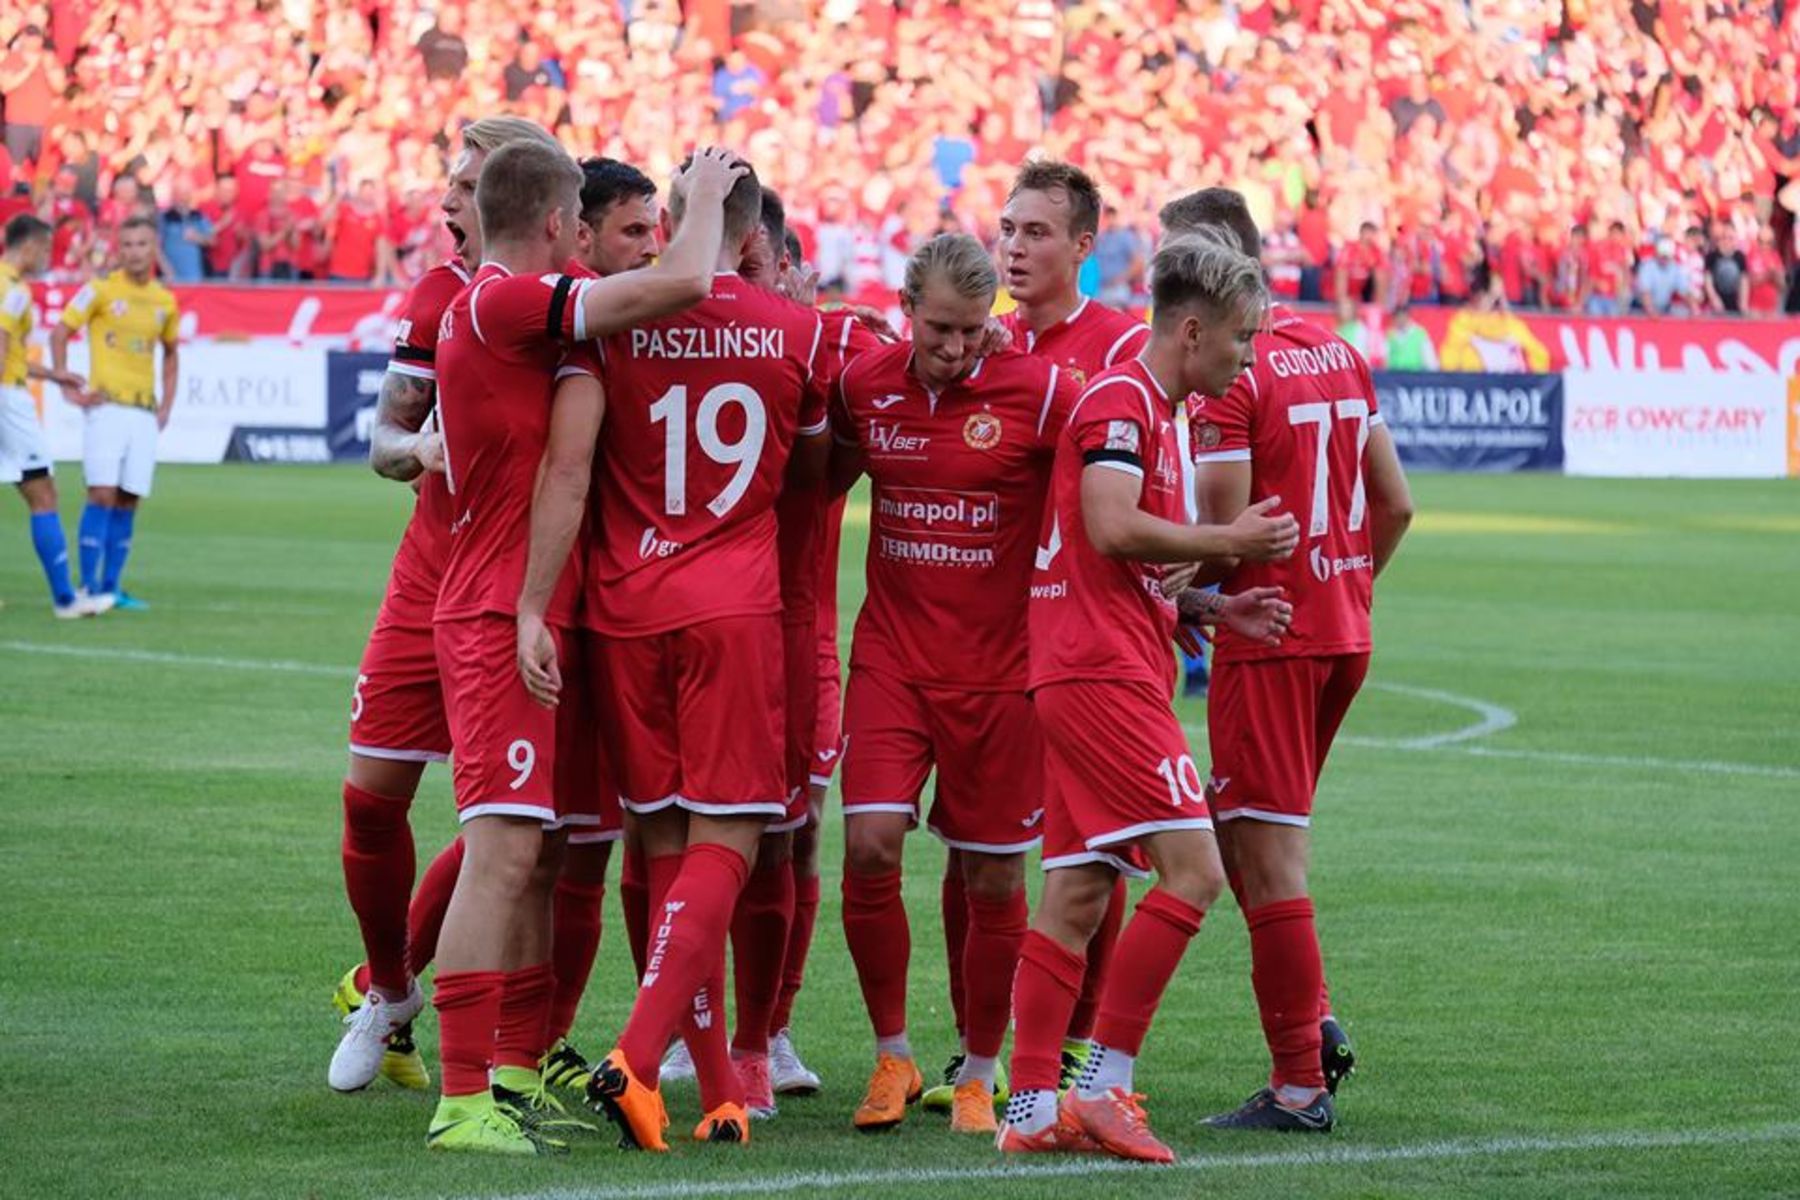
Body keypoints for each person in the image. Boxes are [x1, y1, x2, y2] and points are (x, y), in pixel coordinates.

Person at [430, 141, 748, 1156]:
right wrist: (704, 197)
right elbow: (689, 279)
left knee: (537, 851)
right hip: (496, 613)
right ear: (562, 225)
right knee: (501, 854)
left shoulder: (527, 315)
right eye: (588, 226)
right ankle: (461, 1094)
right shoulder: (501, 302)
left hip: (537, 611)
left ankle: (513, 1068)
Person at [998, 232, 1298, 1162]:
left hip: (1096, 659)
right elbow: (1109, 524)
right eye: (1242, 339)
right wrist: (1226, 531)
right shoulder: (1123, 401)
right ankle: (1106, 1083)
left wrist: (1215, 601)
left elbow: (1127, 563)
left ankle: (1032, 1109)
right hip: (1100, 673)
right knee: (1197, 872)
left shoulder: (1156, 411)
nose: (1247, 358)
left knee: (1079, 891)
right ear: (1195, 329)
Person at [582, 152, 831, 1153]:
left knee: (663, 846)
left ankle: (720, 1083)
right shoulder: (799, 330)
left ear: (672, 224)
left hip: (623, 607)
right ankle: (637, 1056)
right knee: (730, 841)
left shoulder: (612, 314)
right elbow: (812, 476)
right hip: (733, 608)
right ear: (755, 240)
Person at [328, 116, 564, 1100]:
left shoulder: (561, 295)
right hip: (430, 572)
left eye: (466, 185)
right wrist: (417, 452)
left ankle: (511, 1041)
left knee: (508, 819)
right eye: (447, 184)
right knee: (369, 799)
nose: (447, 204)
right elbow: (382, 437)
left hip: (517, 583)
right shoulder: (435, 297)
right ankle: (386, 994)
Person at [829, 233, 1080, 1137]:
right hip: (892, 657)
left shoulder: (1044, 392)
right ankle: (892, 1054)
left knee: (990, 876)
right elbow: (816, 473)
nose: (955, 348)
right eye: (939, 328)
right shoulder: (865, 385)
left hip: (1001, 673)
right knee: (868, 848)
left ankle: (978, 1070)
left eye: (973, 332)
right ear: (907, 309)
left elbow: (1110, 480)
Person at [916, 160, 1149, 1111]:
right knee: (976, 850)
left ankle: (1084, 1046)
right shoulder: (987, 343)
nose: (1013, 246)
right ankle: (981, 1054)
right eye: (1007, 228)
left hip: (1090, 640)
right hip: (994, 642)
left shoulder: (1122, 349)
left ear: (1084, 246)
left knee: (1097, 848)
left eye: (1037, 232)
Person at [1182, 198, 1415, 1134]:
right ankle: (1310, 1016)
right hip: (1339, 634)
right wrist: (1344, 587)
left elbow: (1228, 533)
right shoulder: (1338, 351)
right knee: (1233, 825)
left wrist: (1166, 593)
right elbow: (1394, 506)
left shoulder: (1234, 371)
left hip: (1269, 636)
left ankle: (1299, 1083)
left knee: (1266, 853)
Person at [50, 214, 178, 611]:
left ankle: (111, 587)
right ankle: (88, 587)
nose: (134, 252)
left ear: (153, 247)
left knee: (128, 498)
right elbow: (59, 332)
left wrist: (166, 405)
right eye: (127, 245)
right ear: (118, 249)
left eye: (141, 244)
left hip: (142, 411)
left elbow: (172, 355)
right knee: (101, 493)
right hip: (106, 407)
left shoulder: (164, 300)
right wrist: (66, 383)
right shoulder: (99, 290)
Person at [0, 214, 103, 618]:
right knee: (44, 494)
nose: (47, 257)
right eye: (46, 249)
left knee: (37, 492)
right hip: (7, 400)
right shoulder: (14, 290)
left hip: (10, 387)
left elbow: (14, 355)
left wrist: (53, 374)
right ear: (30, 246)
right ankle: (64, 599)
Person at [1385, 303, 1439, 371]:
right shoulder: (1390, 334)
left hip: (1414, 376)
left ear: (1407, 316)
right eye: (1397, 317)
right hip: (1393, 375)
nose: (1400, 320)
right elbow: (1385, 357)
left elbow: (1430, 359)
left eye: (1402, 316)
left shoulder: (1419, 333)